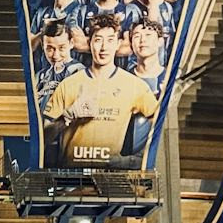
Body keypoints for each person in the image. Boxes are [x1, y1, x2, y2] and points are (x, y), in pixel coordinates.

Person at [41, 15, 160, 165]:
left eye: (110, 40)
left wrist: (134, 161)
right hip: (72, 173)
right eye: (98, 40)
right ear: (89, 43)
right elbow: (43, 137)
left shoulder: (134, 85)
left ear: (118, 44)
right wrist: (67, 116)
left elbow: (160, 124)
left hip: (109, 174)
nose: (104, 48)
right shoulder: (68, 84)